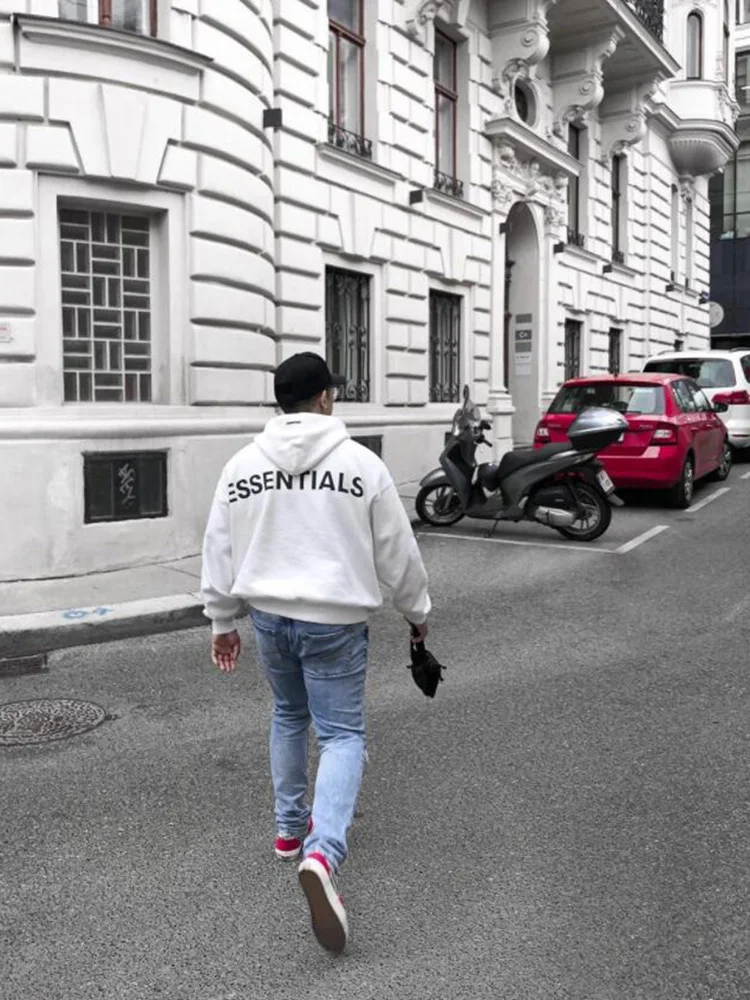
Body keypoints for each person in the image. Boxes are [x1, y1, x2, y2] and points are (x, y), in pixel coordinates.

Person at [200, 352, 431, 954]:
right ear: (325, 398)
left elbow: (218, 545)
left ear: (280, 402)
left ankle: (287, 830)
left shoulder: (241, 466)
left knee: (287, 714)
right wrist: (416, 613)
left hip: (269, 617)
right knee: (342, 735)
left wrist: (222, 619)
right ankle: (322, 853)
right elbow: (398, 552)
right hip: (335, 621)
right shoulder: (362, 465)